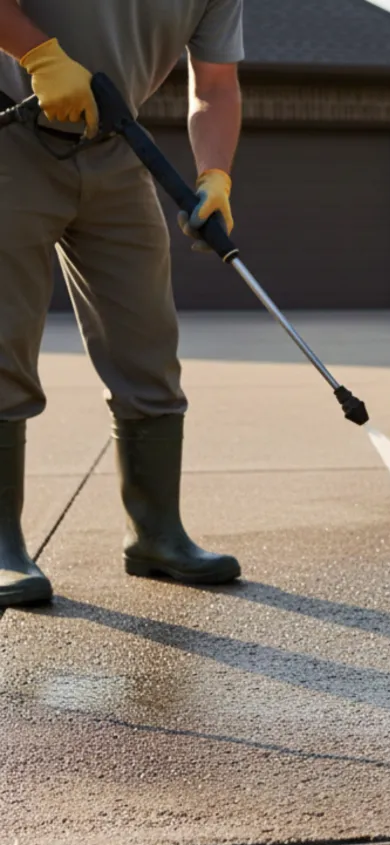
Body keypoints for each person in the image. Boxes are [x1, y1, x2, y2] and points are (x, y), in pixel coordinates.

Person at [0, 0, 245, 606]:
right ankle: (2, 546)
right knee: (2, 341)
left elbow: (214, 83)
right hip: (11, 135)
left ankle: (158, 536)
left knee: (148, 343)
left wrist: (215, 175)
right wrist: (39, 54)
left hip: (114, 146)